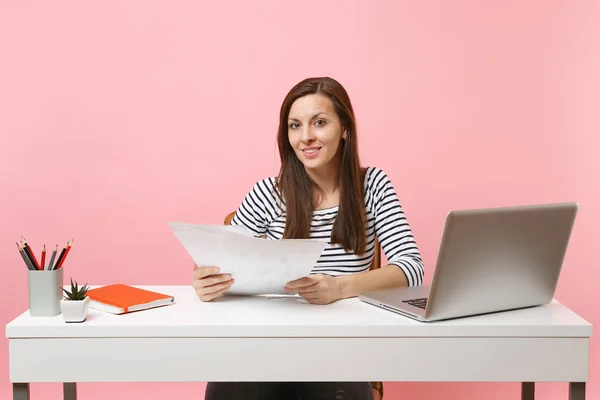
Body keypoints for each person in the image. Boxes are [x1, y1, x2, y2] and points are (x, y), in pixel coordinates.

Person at [192, 77, 425, 400]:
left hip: (341, 351)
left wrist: (339, 287)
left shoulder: (372, 186)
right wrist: (207, 279)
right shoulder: (267, 193)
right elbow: (221, 261)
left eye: (319, 123)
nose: (306, 137)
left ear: (344, 128)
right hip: (267, 347)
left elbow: (411, 270)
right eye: (294, 126)